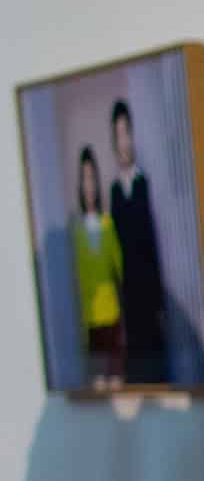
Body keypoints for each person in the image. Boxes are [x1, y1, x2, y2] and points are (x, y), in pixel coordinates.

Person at [105, 99, 167, 382]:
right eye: (118, 135)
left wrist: (159, 300)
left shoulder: (144, 182)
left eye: (127, 133)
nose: (124, 142)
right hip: (129, 294)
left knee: (157, 364)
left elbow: (153, 241)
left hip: (149, 292)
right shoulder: (115, 191)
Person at [71, 148, 124, 385]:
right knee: (97, 385)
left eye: (92, 178)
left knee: (116, 383)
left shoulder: (107, 223)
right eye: (84, 178)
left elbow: (120, 267)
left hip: (111, 317)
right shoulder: (76, 230)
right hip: (90, 322)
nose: (89, 186)